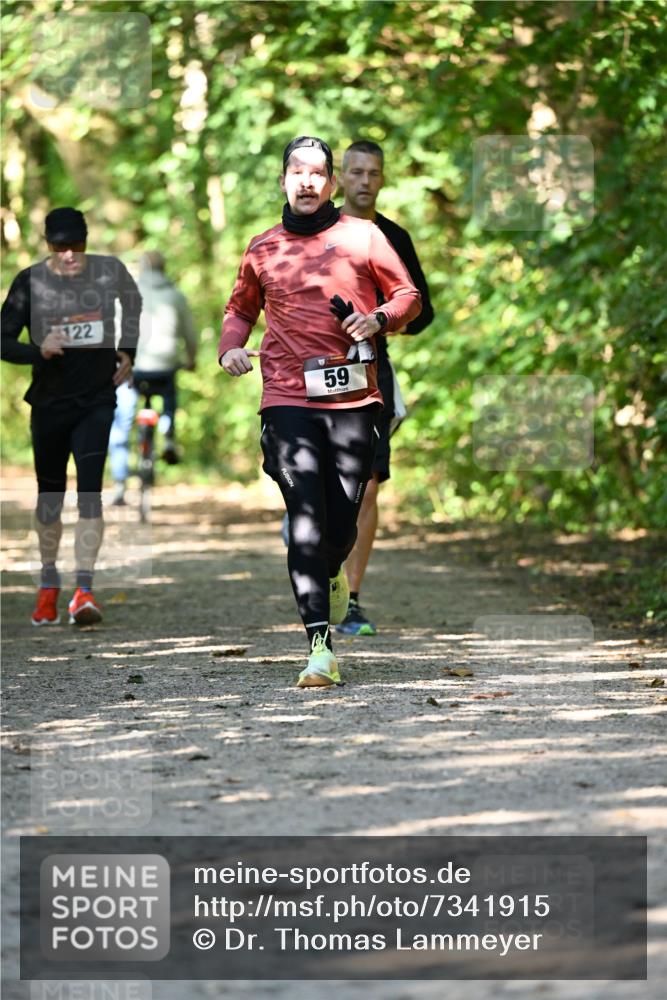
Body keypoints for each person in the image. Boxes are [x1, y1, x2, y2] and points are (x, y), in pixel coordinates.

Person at [218, 136, 421, 688]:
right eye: (296, 172)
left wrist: (378, 319)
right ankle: (320, 646)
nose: (306, 181)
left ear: (331, 183)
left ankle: (333, 571)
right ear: (283, 181)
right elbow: (240, 309)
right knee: (305, 518)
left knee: (340, 523)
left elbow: (408, 297)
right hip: (286, 398)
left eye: (316, 173)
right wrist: (230, 347)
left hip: (354, 400)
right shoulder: (263, 247)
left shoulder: (364, 236)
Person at [1, 207, 141, 626]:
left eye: (76, 245)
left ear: (85, 241)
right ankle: (48, 584)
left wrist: (128, 351)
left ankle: (84, 590)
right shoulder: (30, 282)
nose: (69, 254)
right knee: (50, 496)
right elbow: (3, 340)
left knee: (90, 493)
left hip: (96, 400)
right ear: (48, 245)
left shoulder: (108, 271)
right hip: (49, 404)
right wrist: (37, 350)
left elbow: (133, 304)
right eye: (60, 247)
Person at [336, 140, 434, 635]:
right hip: (315, 368)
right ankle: (314, 546)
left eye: (373, 172)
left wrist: (380, 321)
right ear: (340, 176)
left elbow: (423, 311)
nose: (364, 181)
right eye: (356, 172)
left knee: (367, 485)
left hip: (373, 369)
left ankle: (351, 600)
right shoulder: (316, 229)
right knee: (324, 483)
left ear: (383, 178)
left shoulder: (393, 237)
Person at [108, 251, 197, 504]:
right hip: (164, 366)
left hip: (132, 368)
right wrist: (191, 360)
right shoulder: (176, 295)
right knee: (168, 397)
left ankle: (120, 483)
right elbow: (190, 334)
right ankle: (168, 435)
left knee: (122, 421)